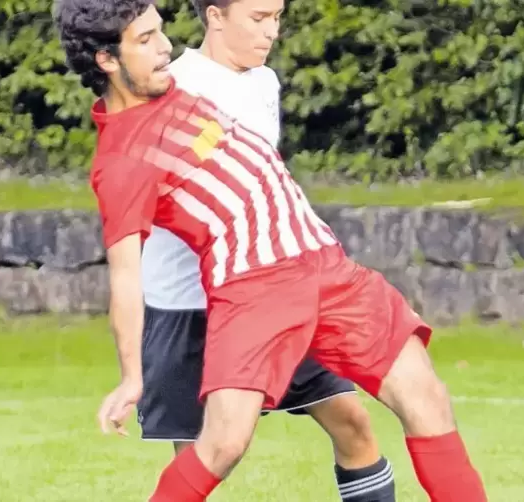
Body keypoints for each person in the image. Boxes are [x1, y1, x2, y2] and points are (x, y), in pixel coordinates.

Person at [53, 1, 488, 501]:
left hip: (326, 268)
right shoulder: (123, 160)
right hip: (255, 287)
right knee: (223, 444)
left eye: (161, 32)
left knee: (426, 398)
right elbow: (126, 278)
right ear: (107, 60)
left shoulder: (185, 84)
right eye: (146, 39)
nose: (165, 47)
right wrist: (133, 377)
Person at [135, 1, 392, 499]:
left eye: (277, 17)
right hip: (189, 307)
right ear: (215, 16)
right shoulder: (172, 87)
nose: (271, 31)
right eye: (258, 18)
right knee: (202, 461)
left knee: (353, 424)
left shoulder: (263, 82)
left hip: (270, 294)